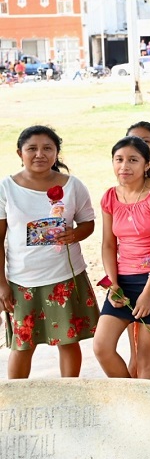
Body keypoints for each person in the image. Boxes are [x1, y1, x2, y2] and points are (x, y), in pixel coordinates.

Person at [0, 126, 100, 378]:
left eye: (47, 148)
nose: (39, 154)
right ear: (19, 153)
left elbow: (88, 222)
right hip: (23, 280)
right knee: (22, 346)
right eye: (31, 148)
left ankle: (69, 395)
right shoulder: (6, 189)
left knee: (68, 341)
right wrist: (2, 284)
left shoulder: (73, 186)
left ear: (57, 153)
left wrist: (74, 234)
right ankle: (18, 401)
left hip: (65, 276)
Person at [92, 136, 150, 380]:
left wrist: (149, 292)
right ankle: (130, 400)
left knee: (146, 354)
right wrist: (113, 284)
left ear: (147, 164)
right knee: (102, 347)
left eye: (132, 160)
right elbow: (108, 244)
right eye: (119, 160)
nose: (124, 166)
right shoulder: (109, 197)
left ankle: (146, 414)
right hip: (123, 280)